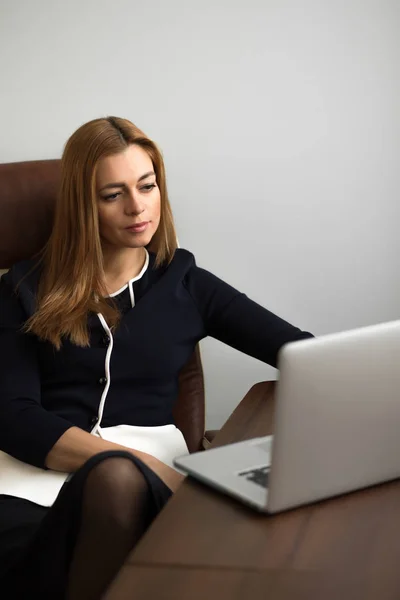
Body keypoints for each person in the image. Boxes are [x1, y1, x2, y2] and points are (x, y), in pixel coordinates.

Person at [0, 116, 313, 599]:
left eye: (147, 186)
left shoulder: (187, 284)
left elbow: (305, 355)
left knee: (120, 485)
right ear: (83, 205)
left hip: (144, 487)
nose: (137, 207)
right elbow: (14, 417)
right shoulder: (22, 288)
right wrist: (137, 462)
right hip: (28, 482)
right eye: (113, 195)